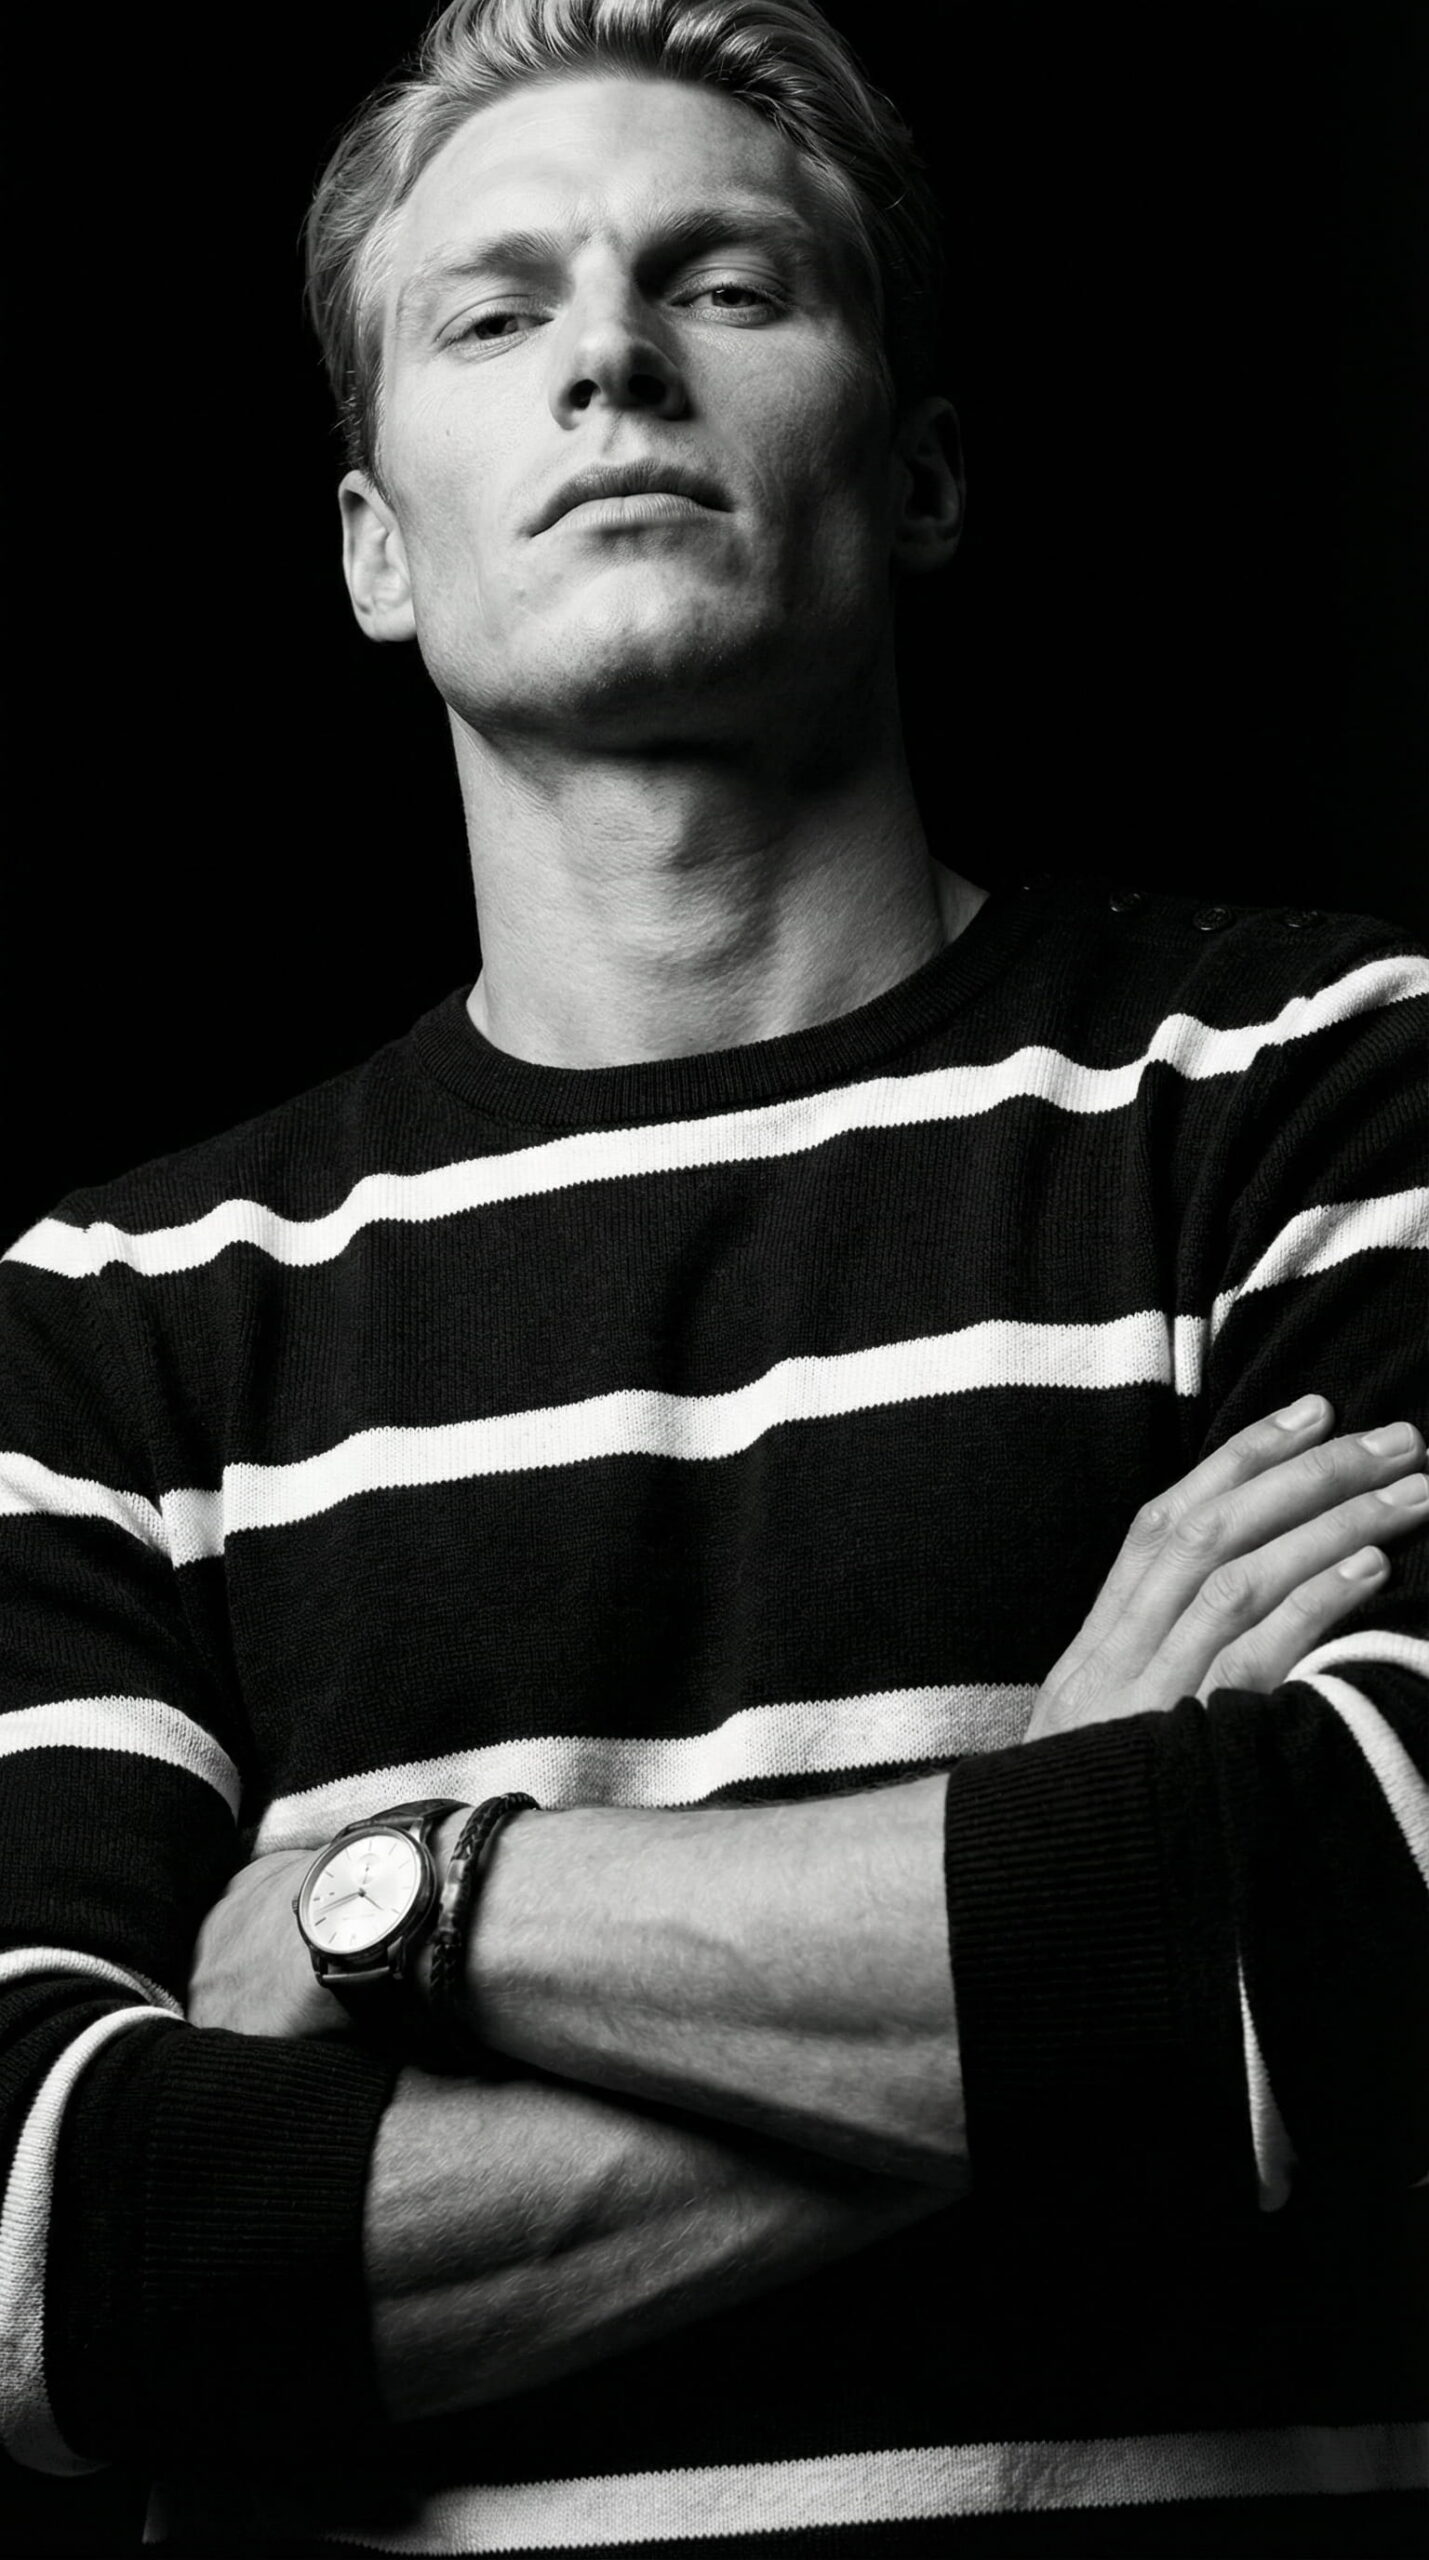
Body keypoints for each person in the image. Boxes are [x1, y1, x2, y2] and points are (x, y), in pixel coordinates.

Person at [2, 2, 1425, 2551]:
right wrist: (1061, 1840)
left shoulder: (1314, 1078)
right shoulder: (122, 1311)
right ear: (371, 546)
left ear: (924, 470)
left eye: (726, 284)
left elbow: (1365, 1950)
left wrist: (403, 1906)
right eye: (494, 312)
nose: (612, 361)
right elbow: (71, 2271)